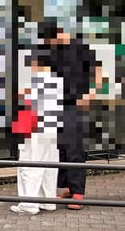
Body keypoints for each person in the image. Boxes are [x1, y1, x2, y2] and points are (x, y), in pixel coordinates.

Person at [43, 21, 102, 210]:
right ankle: (67, 187)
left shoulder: (80, 47)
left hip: (77, 103)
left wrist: (93, 92)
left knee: (74, 148)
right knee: (60, 148)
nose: (49, 44)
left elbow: (98, 70)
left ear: (58, 34)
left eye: (50, 40)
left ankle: (78, 192)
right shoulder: (51, 52)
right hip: (55, 103)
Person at [11, 48, 63, 215]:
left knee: (29, 165)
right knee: (50, 165)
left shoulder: (36, 82)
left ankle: (29, 203)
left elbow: (28, 104)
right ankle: (48, 200)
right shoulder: (57, 80)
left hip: (34, 129)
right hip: (52, 128)